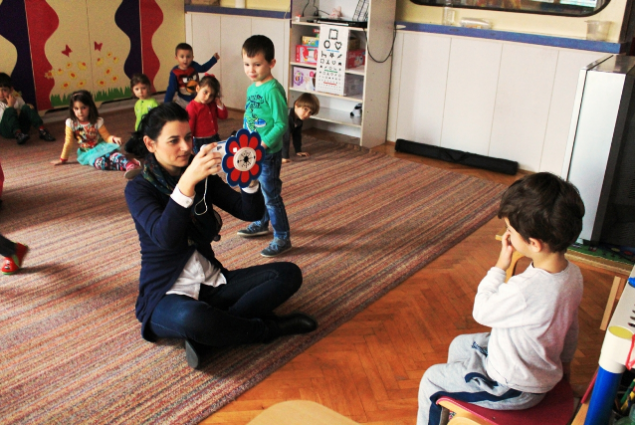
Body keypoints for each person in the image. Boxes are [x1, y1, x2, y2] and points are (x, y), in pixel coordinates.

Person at [124, 103, 317, 369]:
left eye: (188, 138)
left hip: (213, 281)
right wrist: (186, 183)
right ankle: (268, 329)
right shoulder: (138, 189)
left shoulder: (200, 176)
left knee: (287, 274)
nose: (185, 147)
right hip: (164, 295)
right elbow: (165, 238)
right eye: (174, 140)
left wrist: (247, 179)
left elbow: (249, 211)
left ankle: (210, 336)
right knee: (193, 319)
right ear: (150, 143)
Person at [417, 172, 585, 425]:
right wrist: (566, 366)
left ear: (534, 244)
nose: (506, 234)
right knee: (460, 345)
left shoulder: (525, 288)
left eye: (509, 229)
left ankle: (455, 404)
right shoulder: (572, 274)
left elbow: (482, 311)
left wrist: (500, 265)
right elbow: (571, 328)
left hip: (513, 386)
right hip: (533, 365)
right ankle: (462, 406)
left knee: (430, 379)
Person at [236, 35, 292, 257]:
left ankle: (283, 237)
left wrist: (264, 142)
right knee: (256, 189)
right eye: (247, 64)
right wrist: (243, 139)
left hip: (267, 154)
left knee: (271, 195)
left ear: (271, 63)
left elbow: (281, 123)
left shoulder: (273, 90)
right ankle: (261, 222)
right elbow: (249, 116)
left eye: (257, 64)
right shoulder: (252, 88)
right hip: (250, 151)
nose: (251, 70)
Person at [51, 90, 141, 179]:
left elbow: (106, 137)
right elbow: (68, 143)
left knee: (114, 155)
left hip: (102, 146)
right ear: (72, 109)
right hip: (87, 153)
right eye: (76, 108)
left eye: (83, 107)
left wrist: (114, 139)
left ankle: (129, 164)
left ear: (90, 107)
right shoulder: (70, 123)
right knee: (99, 164)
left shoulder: (97, 121)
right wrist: (63, 159)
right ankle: (125, 166)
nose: (80, 112)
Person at [0, 72, 55, 145]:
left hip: (23, 128)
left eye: (4, 90)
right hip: (7, 131)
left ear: (11, 90)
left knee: (27, 107)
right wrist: (10, 106)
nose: (1, 94)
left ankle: (42, 130)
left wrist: (28, 108)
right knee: (9, 111)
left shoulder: (18, 99)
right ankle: (18, 134)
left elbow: (24, 112)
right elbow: (4, 119)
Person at [164, 43, 220, 109]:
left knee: (200, 111)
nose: (185, 59)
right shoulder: (175, 73)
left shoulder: (194, 65)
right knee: (179, 113)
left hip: (196, 97)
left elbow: (203, 68)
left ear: (192, 57)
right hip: (182, 99)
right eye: (182, 57)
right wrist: (165, 106)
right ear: (176, 58)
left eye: (188, 57)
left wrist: (213, 59)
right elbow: (171, 89)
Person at [185, 74, 228, 154]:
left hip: (214, 137)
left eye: (211, 95)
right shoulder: (192, 107)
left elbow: (223, 116)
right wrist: (190, 145)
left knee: (219, 155)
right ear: (197, 88)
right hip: (200, 141)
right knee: (204, 160)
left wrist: (219, 104)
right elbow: (189, 128)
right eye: (205, 92)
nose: (208, 97)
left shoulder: (212, 104)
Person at [282, 93, 319, 164]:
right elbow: (285, 138)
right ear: (296, 105)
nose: (307, 114)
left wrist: (298, 150)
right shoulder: (287, 117)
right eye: (305, 109)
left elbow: (297, 135)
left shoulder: (299, 119)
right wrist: (284, 156)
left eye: (310, 112)